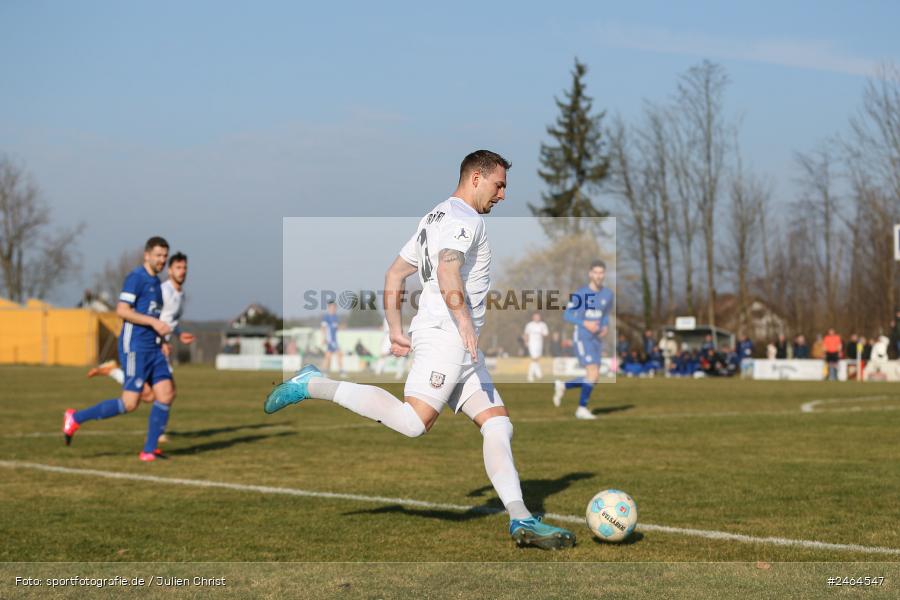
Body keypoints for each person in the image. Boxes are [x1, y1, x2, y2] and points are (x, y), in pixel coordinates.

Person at [262, 150, 574, 549]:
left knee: (498, 424)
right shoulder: (463, 219)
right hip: (447, 337)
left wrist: (394, 329)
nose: (502, 195)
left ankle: (520, 520)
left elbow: (394, 273)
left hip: (455, 344)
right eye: (499, 185)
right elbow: (447, 268)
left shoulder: (435, 217)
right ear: (476, 178)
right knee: (413, 423)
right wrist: (462, 321)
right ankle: (313, 384)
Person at [63, 237, 176, 462]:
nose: (162, 260)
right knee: (130, 403)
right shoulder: (136, 278)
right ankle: (75, 417)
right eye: (158, 255)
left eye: (165, 256)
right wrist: (154, 324)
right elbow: (122, 310)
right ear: (147, 255)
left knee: (166, 393)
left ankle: (149, 450)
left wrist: (161, 339)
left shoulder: (156, 283)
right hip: (134, 347)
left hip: (153, 347)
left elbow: (152, 315)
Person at [552, 260, 614, 420]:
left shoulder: (608, 294)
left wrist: (605, 326)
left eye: (601, 272)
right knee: (592, 373)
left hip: (596, 339)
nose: (599, 276)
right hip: (582, 336)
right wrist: (584, 323)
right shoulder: (581, 294)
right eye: (596, 272)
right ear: (590, 274)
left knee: (595, 377)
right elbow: (567, 315)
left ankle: (563, 385)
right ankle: (581, 409)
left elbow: (606, 314)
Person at [522, 312, 549, 382]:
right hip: (531, 343)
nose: (537, 318)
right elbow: (526, 334)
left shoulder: (543, 325)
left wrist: (542, 333)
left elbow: (546, 334)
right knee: (534, 359)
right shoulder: (529, 325)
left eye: (538, 316)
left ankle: (538, 374)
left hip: (539, 344)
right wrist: (525, 342)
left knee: (536, 359)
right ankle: (530, 376)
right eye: (535, 316)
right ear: (533, 317)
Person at [321, 301, 344, 376]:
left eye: (335, 307)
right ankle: (341, 371)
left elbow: (335, 328)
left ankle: (324, 372)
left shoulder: (335, 317)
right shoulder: (326, 317)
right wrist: (324, 338)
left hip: (334, 339)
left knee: (328, 356)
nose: (334, 309)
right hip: (330, 340)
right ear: (329, 307)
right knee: (338, 354)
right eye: (332, 307)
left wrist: (341, 327)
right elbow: (323, 328)